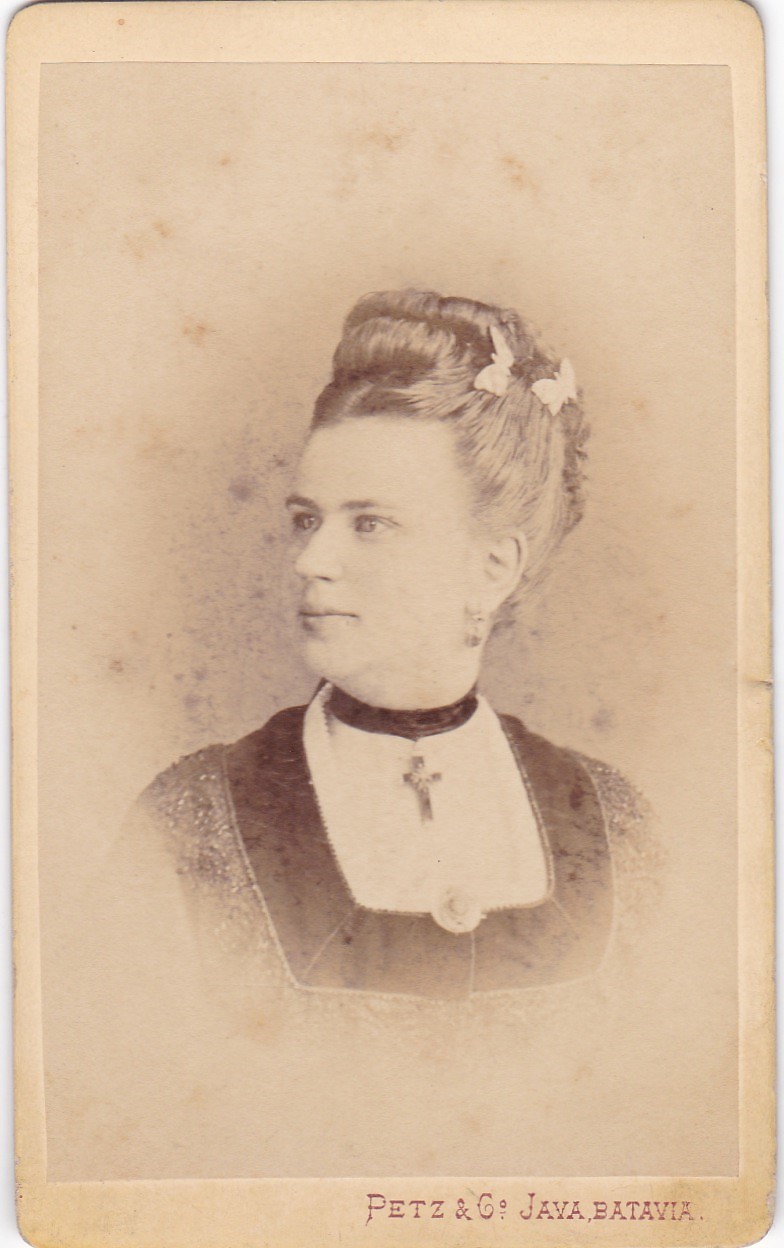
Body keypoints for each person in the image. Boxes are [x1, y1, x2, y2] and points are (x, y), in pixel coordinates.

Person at [130, 288, 652, 1003]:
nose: (311, 561)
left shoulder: (611, 825)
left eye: (370, 524)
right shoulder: (191, 823)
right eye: (306, 520)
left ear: (492, 567)